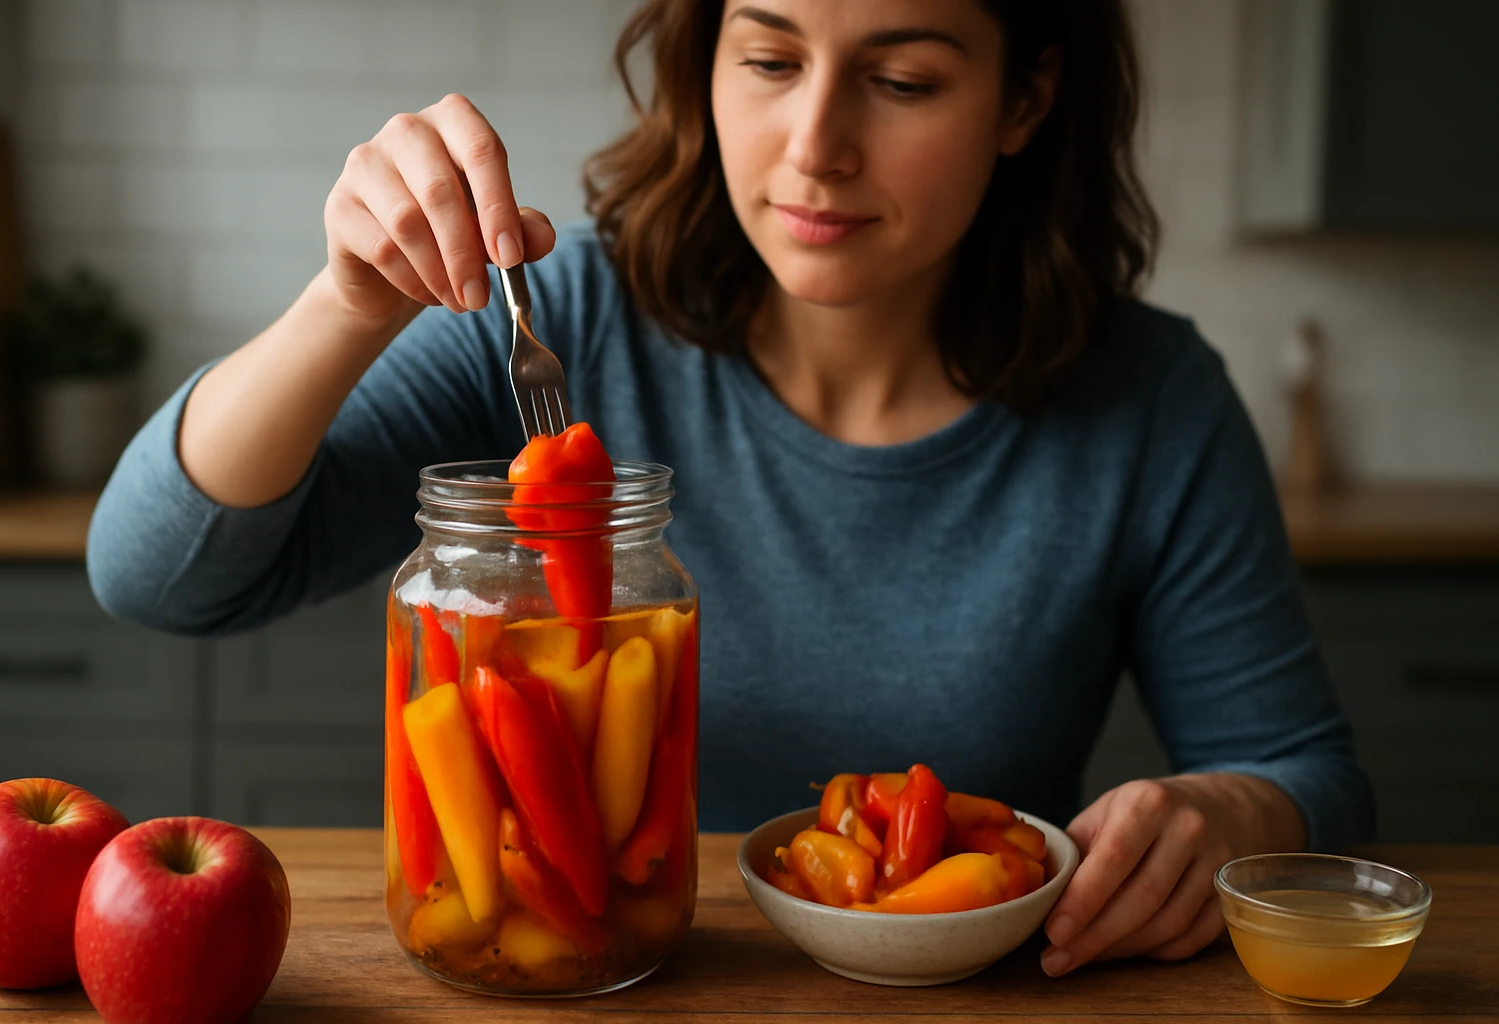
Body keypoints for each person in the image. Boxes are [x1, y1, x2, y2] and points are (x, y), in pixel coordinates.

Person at [86, 0, 1373, 978]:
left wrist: (1234, 808)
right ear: (702, 64)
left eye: (904, 81)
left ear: (1026, 98)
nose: (816, 147)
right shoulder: (562, 320)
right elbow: (156, 574)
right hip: (588, 977)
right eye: (767, 60)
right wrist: (346, 303)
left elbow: (1311, 776)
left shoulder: (1150, 401)